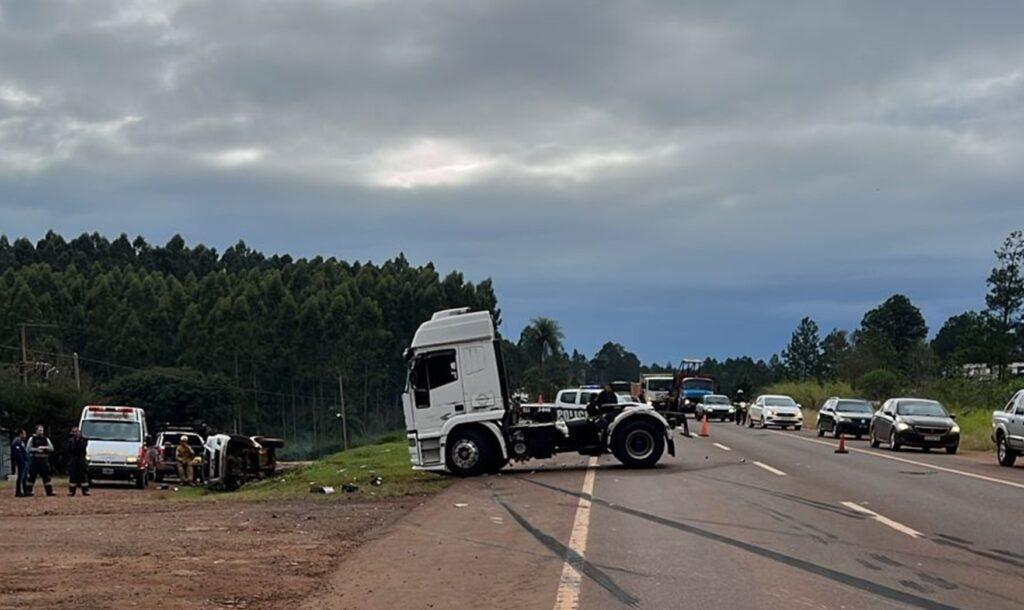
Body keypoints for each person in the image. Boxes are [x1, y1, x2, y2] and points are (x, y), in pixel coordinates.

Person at [25, 424, 55, 497]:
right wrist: (36, 449)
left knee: (46, 476)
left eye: (42, 430)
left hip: (44, 459)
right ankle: (28, 491)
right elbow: (28, 449)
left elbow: (52, 448)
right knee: (32, 476)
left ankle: (49, 491)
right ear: (36, 431)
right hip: (35, 459)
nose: (41, 432)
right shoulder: (32, 439)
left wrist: (44, 448)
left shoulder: (46, 439)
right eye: (39, 430)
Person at [67, 426, 90, 496]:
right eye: (73, 432)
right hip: (73, 459)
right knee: (72, 475)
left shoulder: (84, 440)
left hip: (81, 459)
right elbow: (69, 450)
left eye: (76, 432)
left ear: (79, 432)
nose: (75, 433)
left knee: (83, 475)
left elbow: (82, 448)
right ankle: (72, 491)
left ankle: (85, 491)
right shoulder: (71, 440)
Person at [11, 429, 29, 497]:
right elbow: (18, 453)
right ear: (20, 434)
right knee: (21, 477)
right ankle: (18, 492)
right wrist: (22, 461)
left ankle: (25, 491)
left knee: (25, 477)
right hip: (21, 462)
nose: (25, 436)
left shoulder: (21, 442)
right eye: (24, 434)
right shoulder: (17, 442)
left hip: (25, 461)